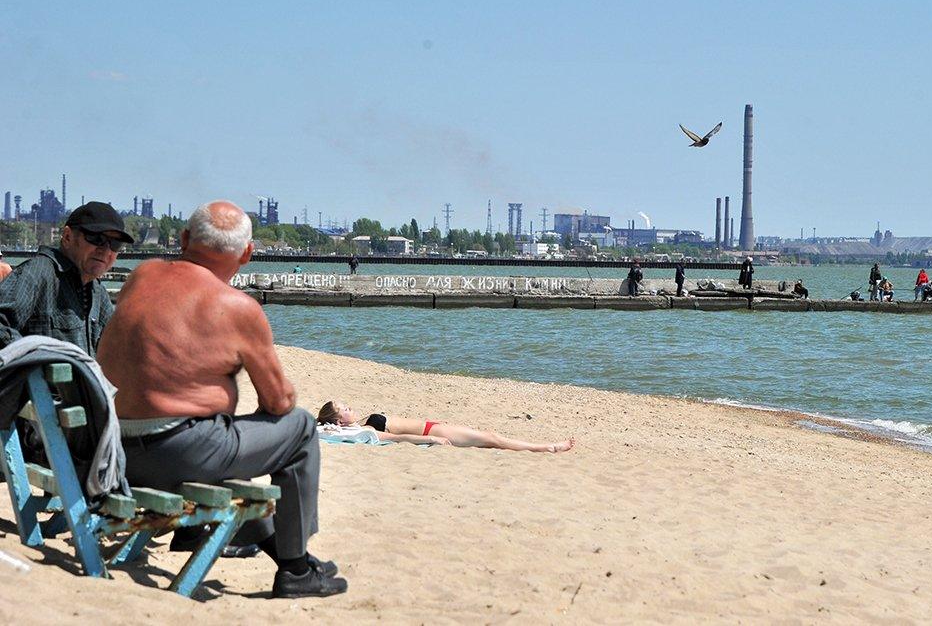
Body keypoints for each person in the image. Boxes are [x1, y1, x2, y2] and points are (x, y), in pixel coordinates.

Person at [97, 201, 347, 599]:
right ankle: (297, 570)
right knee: (299, 427)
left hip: (113, 449)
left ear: (182, 240)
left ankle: (284, 556)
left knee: (227, 441)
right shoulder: (238, 308)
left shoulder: (142, 276)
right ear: (247, 254)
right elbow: (280, 402)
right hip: (180, 456)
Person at [0, 201, 133, 356]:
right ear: (68, 237)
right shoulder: (38, 274)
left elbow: (117, 347)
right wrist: (37, 363)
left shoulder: (97, 292)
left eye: (115, 244)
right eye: (96, 238)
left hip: (86, 380)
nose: (105, 249)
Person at [317, 401, 575, 453]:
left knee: (488, 437)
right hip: (433, 432)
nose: (350, 407)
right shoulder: (367, 430)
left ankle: (546, 446)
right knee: (492, 438)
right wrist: (433, 440)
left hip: (434, 426)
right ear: (339, 421)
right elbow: (398, 438)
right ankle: (548, 447)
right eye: (345, 409)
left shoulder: (361, 424)